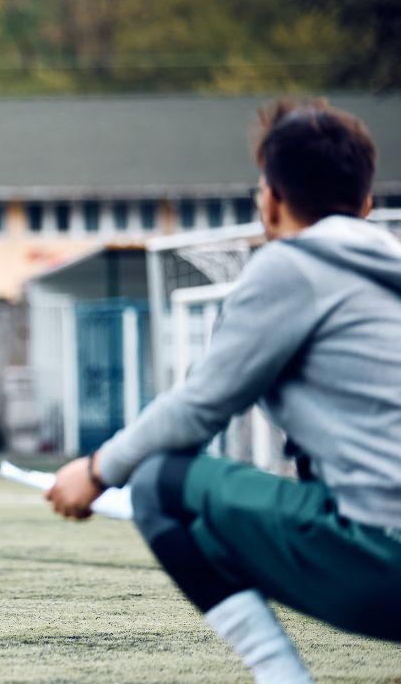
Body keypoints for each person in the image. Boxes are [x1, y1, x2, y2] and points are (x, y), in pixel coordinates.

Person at [46, 99, 401, 683]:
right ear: (366, 204)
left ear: (270, 200)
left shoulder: (292, 265)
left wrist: (96, 469)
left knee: (161, 482)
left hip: (380, 563)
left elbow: (200, 406)